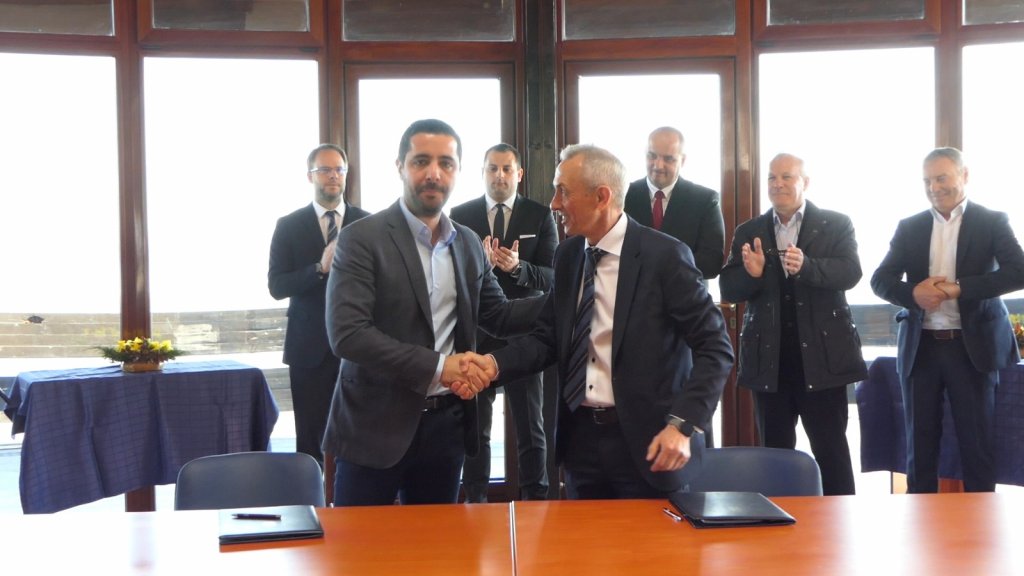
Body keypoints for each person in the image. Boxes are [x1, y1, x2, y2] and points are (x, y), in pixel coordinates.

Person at [461, 144, 733, 499]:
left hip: (651, 445)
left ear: (602, 197)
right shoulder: (569, 255)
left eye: (563, 192)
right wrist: (493, 364)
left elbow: (716, 348)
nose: (554, 204)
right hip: (580, 445)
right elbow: (547, 338)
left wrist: (683, 424)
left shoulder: (665, 256)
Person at [322, 119, 544, 506]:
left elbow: (499, 315)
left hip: (446, 429)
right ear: (400, 166)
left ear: (457, 171)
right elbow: (348, 334)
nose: (434, 173)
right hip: (372, 429)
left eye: (446, 163)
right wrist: (441, 367)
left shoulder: (468, 242)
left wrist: (571, 298)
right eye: (421, 161)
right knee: (360, 544)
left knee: (438, 543)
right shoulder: (361, 239)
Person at [871, 147, 1024, 493]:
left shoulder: (992, 221)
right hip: (921, 348)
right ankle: (920, 520)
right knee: (920, 448)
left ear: (964, 175)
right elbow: (880, 279)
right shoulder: (910, 226)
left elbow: (1018, 271)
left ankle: (980, 521)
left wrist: (960, 289)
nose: (934, 188)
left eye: (941, 178)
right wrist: (914, 294)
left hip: (971, 349)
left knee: (977, 446)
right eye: (927, 181)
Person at [719, 153, 866, 496]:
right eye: (772, 177)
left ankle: (841, 521)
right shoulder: (749, 230)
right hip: (770, 363)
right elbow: (728, 288)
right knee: (774, 458)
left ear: (805, 182)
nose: (778, 184)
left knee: (831, 451)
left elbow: (851, 272)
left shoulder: (835, 224)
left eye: (786, 177)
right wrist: (752, 274)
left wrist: (808, 267)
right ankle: (777, 524)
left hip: (823, 360)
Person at [450, 144, 557, 502]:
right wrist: (476, 264)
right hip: (477, 336)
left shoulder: (540, 215)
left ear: (519, 174)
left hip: (525, 338)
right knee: (477, 429)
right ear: (483, 172)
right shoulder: (460, 215)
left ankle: (535, 501)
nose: (499, 175)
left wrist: (519, 268)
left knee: (531, 427)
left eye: (507, 169)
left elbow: (554, 276)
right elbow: (449, 274)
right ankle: (475, 500)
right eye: (493, 168)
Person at [268, 143, 370, 467]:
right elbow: (276, 286)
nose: (333, 176)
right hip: (307, 350)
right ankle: (313, 498)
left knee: (357, 437)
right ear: (310, 176)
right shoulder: (288, 225)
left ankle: (351, 498)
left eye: (339, 169)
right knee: (310, 443)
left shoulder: (368, 224)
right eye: (325, 170)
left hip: (357, 348)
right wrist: (319, 268)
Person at [624, 126, 725, 280]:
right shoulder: (624, 196)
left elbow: (712, 263)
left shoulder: (705, 201)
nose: (658, 165)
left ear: (682, 160)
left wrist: (660, 266)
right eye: (652, 156)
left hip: (684, 293)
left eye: (668, 159)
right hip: (633, 293)